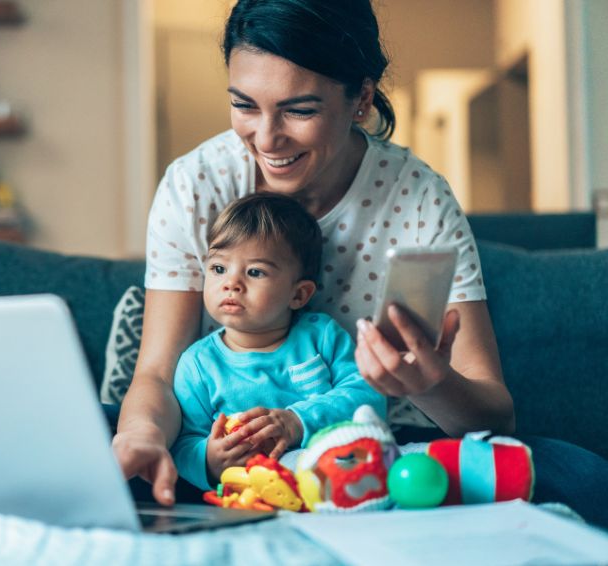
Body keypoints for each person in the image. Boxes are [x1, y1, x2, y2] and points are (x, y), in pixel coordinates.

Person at [112, 0, 608, 527]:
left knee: (577, 474)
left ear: (361, 99)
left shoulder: (417, 198)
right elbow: (158, 374)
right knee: (96, 438)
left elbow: (495, 415)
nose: (266, 137)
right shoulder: (195, 185)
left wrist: (428, 383)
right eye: (245, 105)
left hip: (381, 445)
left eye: (299, 110)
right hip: (225, 454)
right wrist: (142, 438)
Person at [170, 193, 385, 490]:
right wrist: (208, 459)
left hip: (342, 468)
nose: (230, 283)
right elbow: (183, 442)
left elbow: (369, 397)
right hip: (254, 489)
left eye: (255, 272)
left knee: (420, 457)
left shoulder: (321, 336)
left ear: (299, 295)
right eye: (218, 269)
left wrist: (297, 421)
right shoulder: (197, 365)